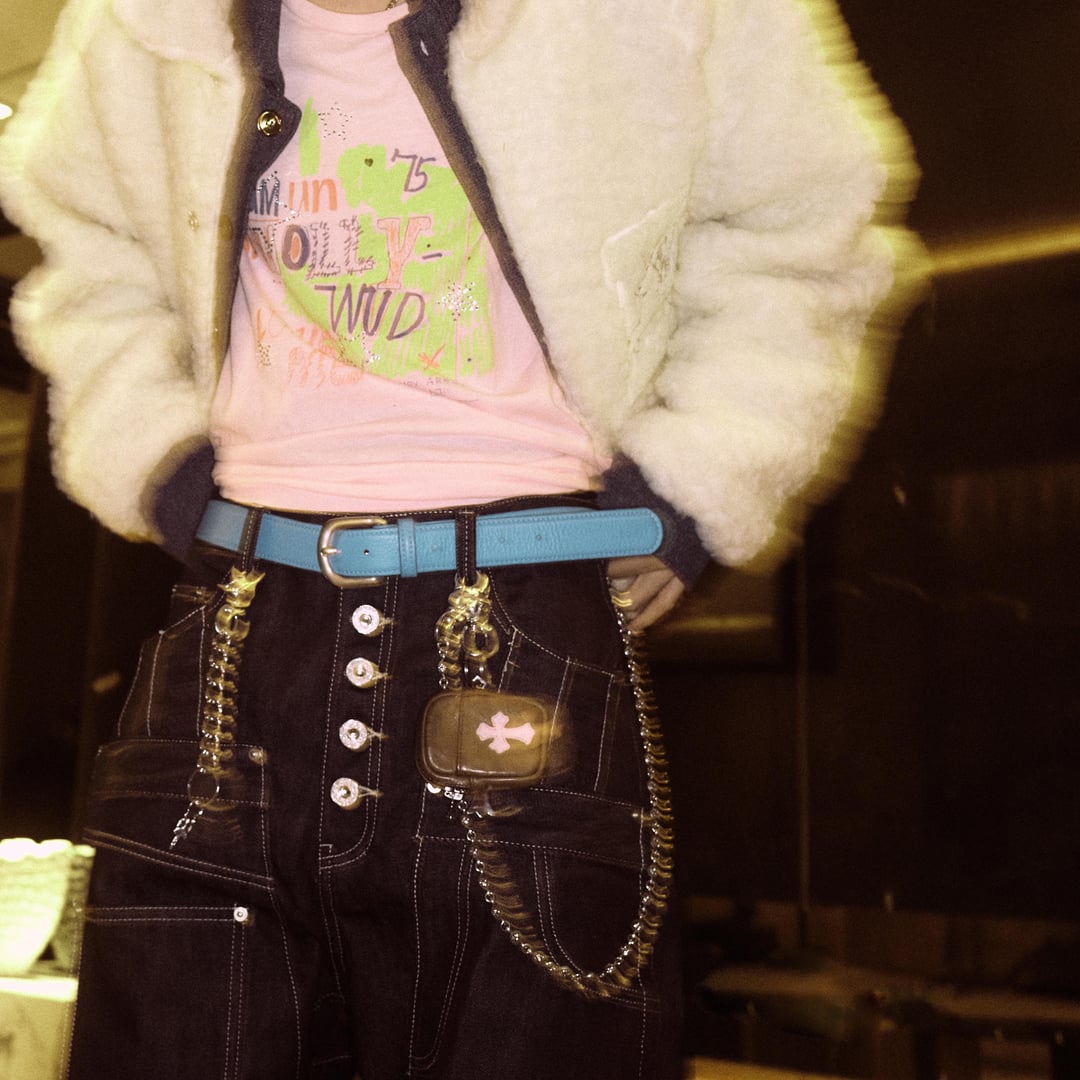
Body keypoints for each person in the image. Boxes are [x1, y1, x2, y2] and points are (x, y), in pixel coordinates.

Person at [0, 0, 918, 1076]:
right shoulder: (139, 19)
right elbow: (82, 249)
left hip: (527, 615)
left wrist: (700, 477)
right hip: (236, 629)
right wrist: (154, 458)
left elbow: (807, 228)